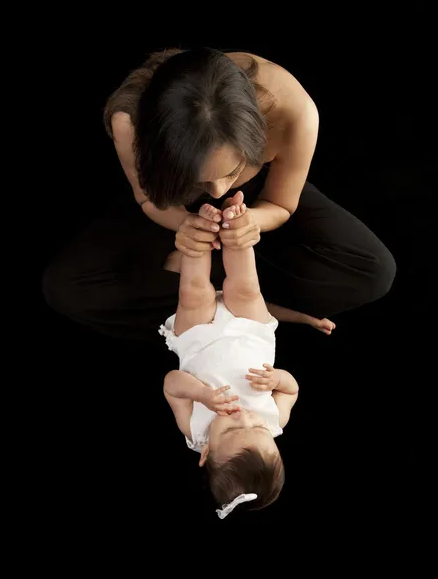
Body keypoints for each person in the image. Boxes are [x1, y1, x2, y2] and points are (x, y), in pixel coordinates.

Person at [42, 47, 396, 344]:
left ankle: (209, 299)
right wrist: (187, 225)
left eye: (232, 171)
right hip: (170, 198)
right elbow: (149, 199)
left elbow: (281, 204)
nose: (219, 191)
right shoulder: (130, 120)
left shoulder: (293, 109)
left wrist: (252, 222)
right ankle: (246, 306)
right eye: (202, 180)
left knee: (372, 271)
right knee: (67, 288)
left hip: (256, 200)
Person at [161, 191, 335, 517]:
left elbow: (171, 384)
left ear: (206, 452)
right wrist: (276, 378)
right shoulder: (276, 420)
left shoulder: (194, 429)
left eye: (228, 429)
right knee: (245, 288)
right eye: (255, 426)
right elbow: (291, 389)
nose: (240, 415)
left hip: (197, 339)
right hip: (251, 333)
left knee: (194, 293)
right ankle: (235, 224)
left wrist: (201, 393)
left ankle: (200, 227)